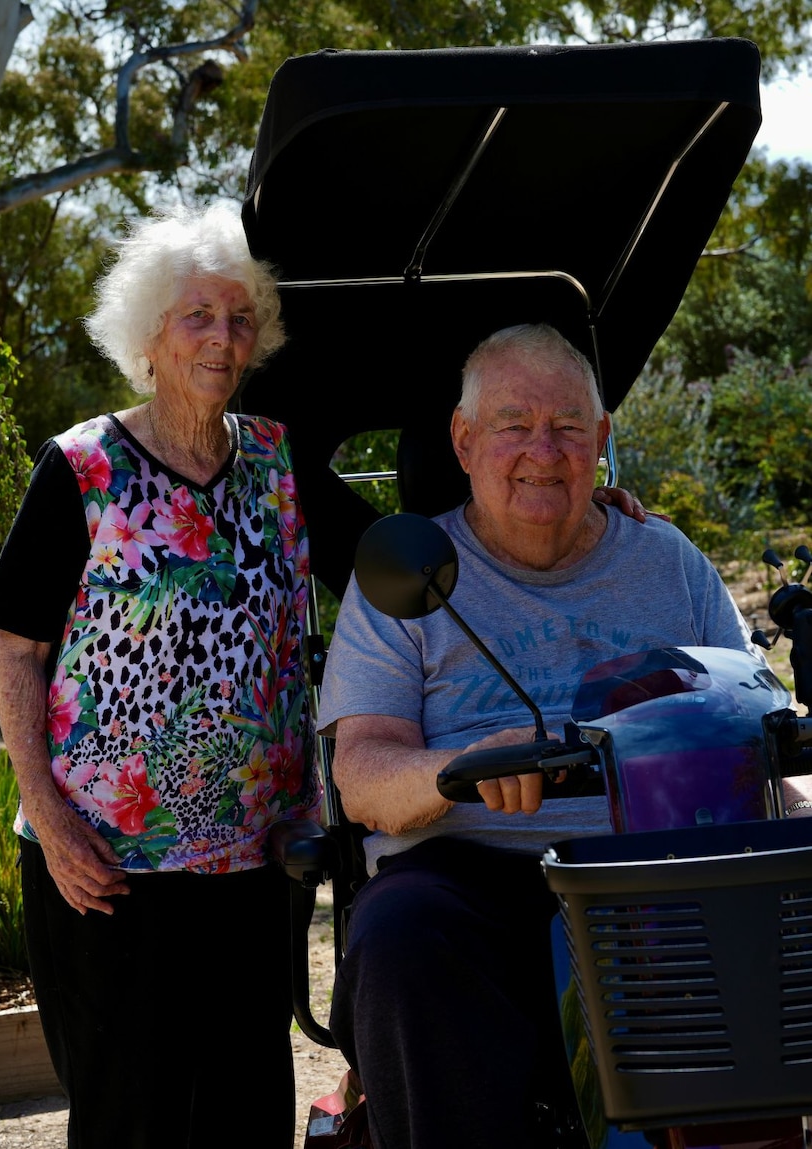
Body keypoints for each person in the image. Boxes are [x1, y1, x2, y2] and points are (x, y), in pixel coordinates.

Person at [316, 323, 764, 1149]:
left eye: (566, 427)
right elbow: (363, 773)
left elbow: (754, 716)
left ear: (601, 439)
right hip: (469, 881)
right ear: (463, 440)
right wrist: (458, 767)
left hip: (653, 874)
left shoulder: (669, 562)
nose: (543, 450)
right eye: (514, 424)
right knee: (399, 934)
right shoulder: (404, 580)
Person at [0, 201, 321, 1149]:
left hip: (253, 857)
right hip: (108, 866)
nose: (221, 337)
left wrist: (585, 505)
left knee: (248, 1116)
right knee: (132, 1118)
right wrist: (48, 819)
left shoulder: (277, 462)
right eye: (196, 316)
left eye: (239, 318)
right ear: (150, 335)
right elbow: (18, 651)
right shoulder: (83, 468)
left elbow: (394, 553)